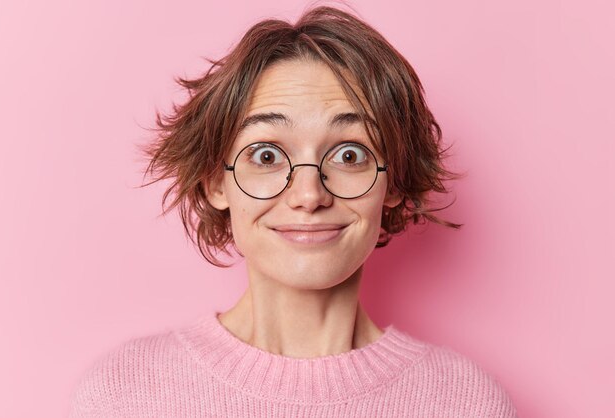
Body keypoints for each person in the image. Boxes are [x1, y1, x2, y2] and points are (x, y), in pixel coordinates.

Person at [69, 5, 517, 417]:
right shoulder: (122, 397)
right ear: (215, 182)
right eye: (266, 156)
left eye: (348, 155)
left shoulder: (466, 404)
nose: (308, 194)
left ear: (394, 181)